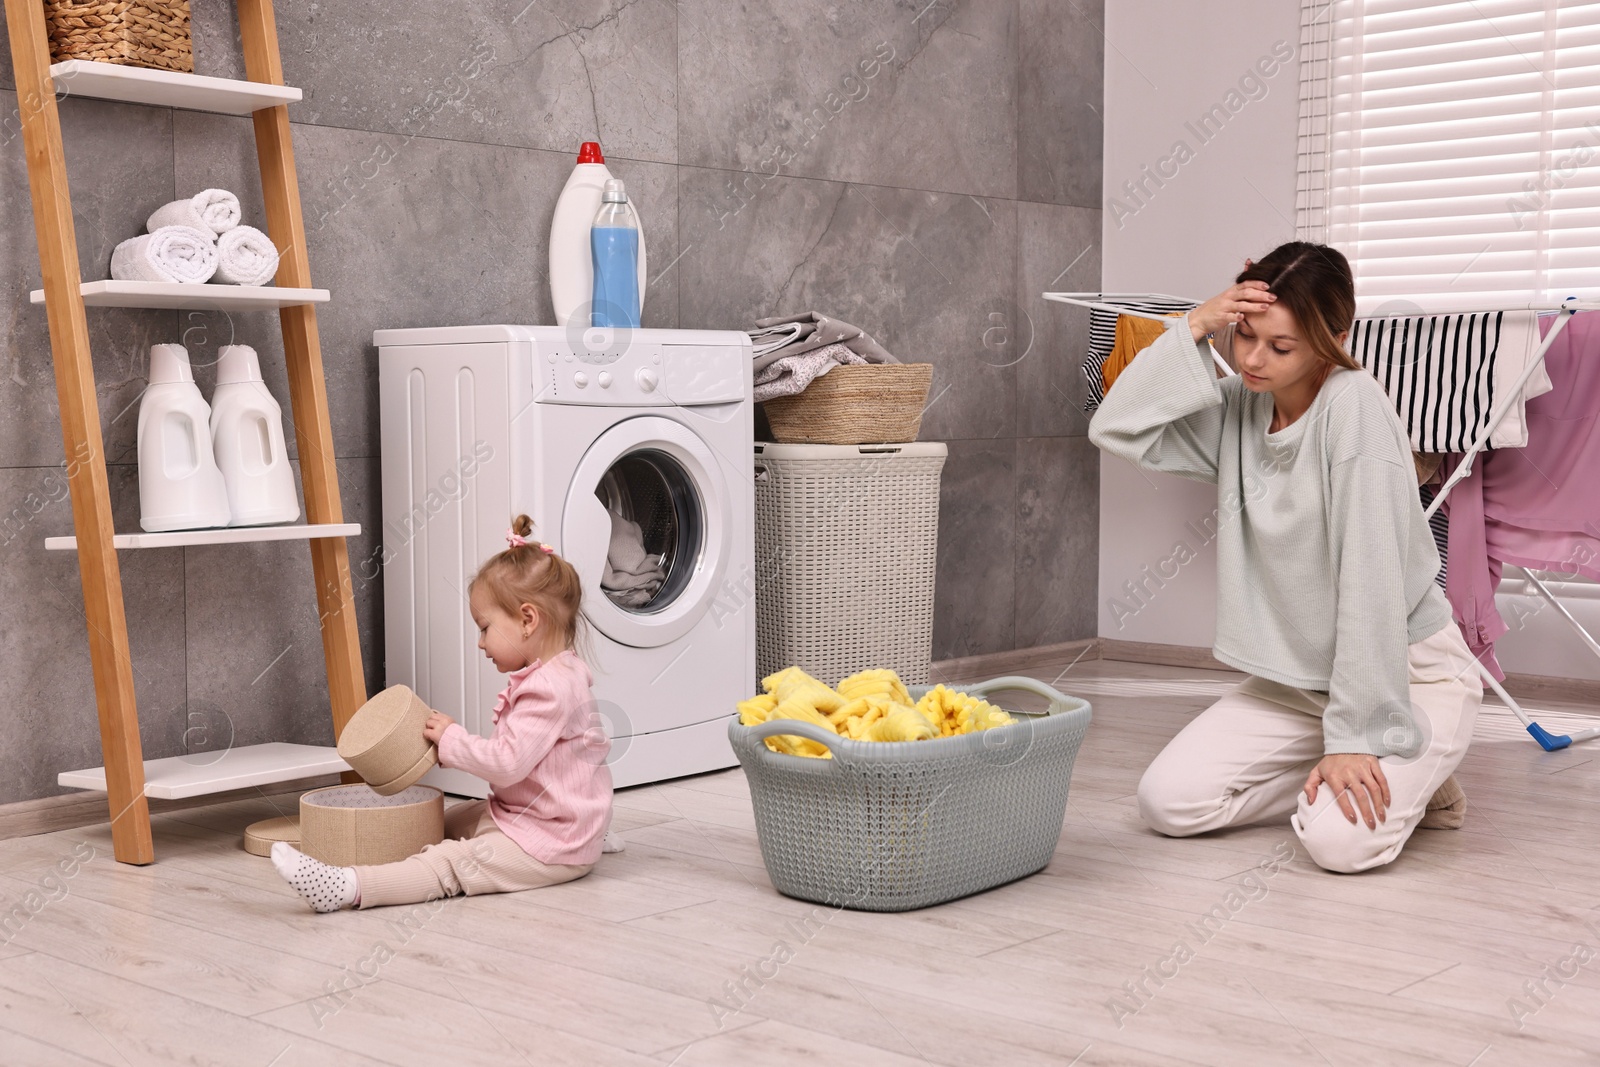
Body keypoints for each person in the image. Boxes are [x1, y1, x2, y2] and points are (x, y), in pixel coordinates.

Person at [1087, 241, 1482, 874]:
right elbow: (1117, 425)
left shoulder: (1354, 410)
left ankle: (1398, 755)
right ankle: (1386, 771)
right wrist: (1194, 324)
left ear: (1335, 337)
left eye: (1281, 346)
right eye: (1244, 336)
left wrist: (1356, 738)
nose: (1251, 359)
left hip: (1405, 679)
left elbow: (1370, 585)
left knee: (1339, 846)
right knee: (1167, 804)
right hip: (1300, 682)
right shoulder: (1243, 405)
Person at [272, 515, 616, 911]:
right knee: (440, 821)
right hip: (536, 816)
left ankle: (350, 888)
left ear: (527, 620)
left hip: (548, 841)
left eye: (485, 628)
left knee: (452, 864)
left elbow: (506, 765)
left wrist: (454, 740)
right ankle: (588, 831)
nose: (481, 643)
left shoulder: (549, 690)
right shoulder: (560, 671)